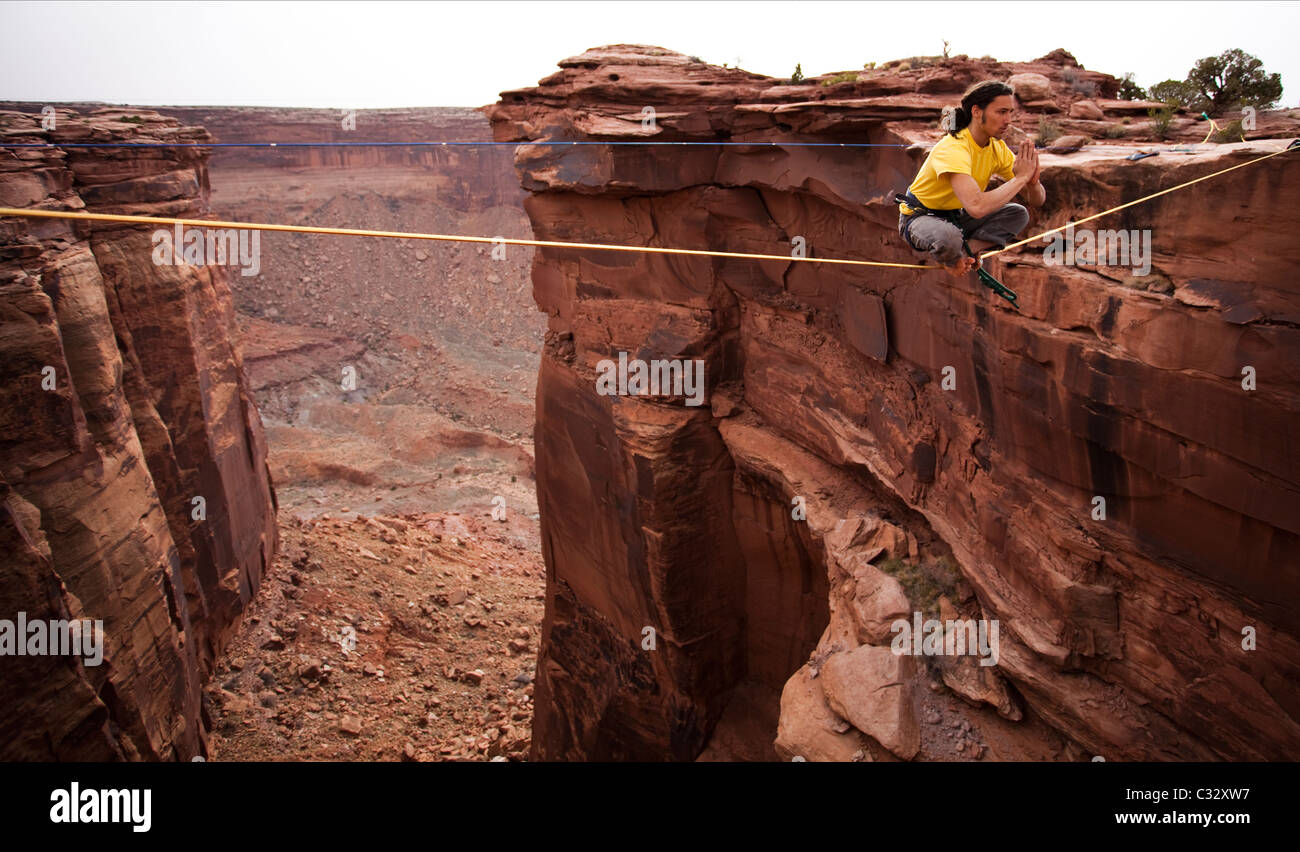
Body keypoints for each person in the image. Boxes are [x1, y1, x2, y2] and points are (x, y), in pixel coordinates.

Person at [897, 80, 1046, 277]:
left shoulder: (996, 147)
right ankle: (953, 256)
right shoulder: (954, 148)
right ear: (977, 112)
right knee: (948, 236)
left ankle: (964, 253)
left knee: (1018, 214)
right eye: (1001, 112)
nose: (1008, 120)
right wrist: (1020, 179)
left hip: (957, 217)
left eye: (1010, 112)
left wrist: (1032, 181)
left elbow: (1038, 200)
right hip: (920, 218)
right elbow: (977, 207)